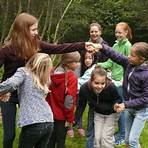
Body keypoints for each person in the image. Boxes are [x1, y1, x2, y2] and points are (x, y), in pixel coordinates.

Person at [0, 12, 94, 148]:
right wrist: (3, 88)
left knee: (33, 127)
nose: (36, 32)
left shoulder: (36, 44)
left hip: (28, 93)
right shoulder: (7, 50)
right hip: (8, 95)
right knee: (9, 136)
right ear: (22, 29)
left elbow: (58, 48)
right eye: (33, 29)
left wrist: (83, 45)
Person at [97, 42, 148, 148]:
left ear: (142, 59)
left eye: (132, 56)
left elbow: (145, 98)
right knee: (127, 140)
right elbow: (116, 55)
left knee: (133, 141)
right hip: (130, 109)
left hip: (141, 111)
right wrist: (102, 47)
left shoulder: (146, 75)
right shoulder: (129, 63)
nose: (129, 57)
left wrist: (125, 104)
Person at [0, 53, 54, 148]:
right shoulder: (44, 79)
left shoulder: (24, 72)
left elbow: (11, 83)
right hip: (49, 121)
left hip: (33, 122)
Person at [97, 22, 132, 145]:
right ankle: (120, 131)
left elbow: (129, 64)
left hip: (122, 82)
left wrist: (124, 79)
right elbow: (110, 63)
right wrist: (98, 65)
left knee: (120, 109)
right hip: (114, 80)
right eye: (116, 32)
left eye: (120, 32)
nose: (117, 34)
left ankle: (123, 135)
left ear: (126, 33)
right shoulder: (115, 45)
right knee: (117, 106)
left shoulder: (128, 46)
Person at [77, 65, 121, 148]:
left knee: (106, 137)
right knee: (97, 138)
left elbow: (118, 98)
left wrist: (116, 104)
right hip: (98, 114)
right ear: (91, 80)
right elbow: (81, 106)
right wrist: (76, 121)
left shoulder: (111, 86)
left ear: (106, 81)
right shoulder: (85, 88)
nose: (99, 86)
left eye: (102, 83)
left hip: (111, 114)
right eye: (96, 83)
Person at [46, 51, 80, 148]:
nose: (78, 64)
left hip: (48, 113)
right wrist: (70, 118)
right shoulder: (71, 78)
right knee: (60, 142)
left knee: (50, 140)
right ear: (68, 63)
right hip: (61, 117)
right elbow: (69, 102)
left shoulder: (52, 71)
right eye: (76, 62)